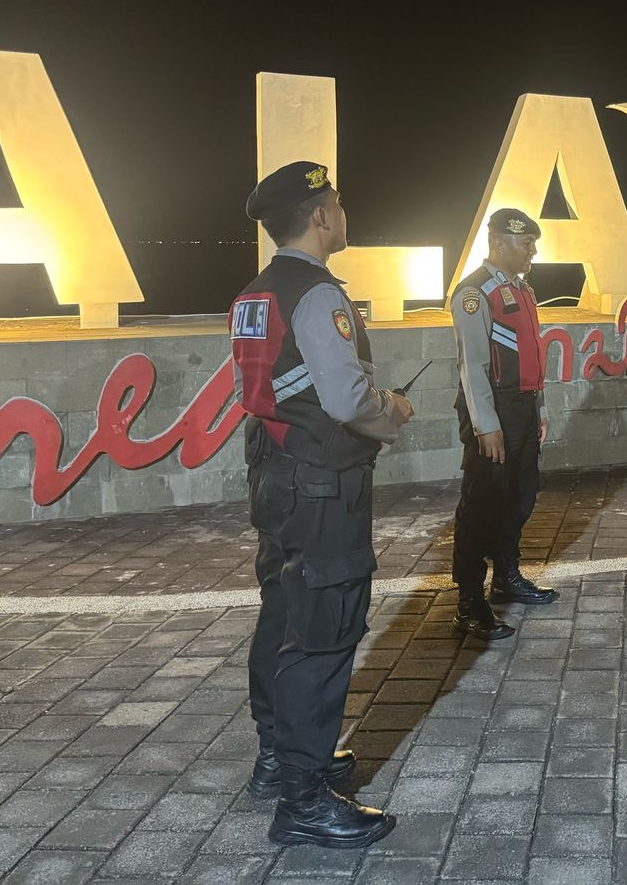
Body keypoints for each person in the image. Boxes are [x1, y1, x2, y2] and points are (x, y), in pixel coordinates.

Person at [231, 161, 414, 848]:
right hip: (319, 482)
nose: (342, 212)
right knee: (324, 629)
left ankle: (277, 759)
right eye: (337, 202)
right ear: (319, 216)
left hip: (274, 475)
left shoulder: (254, 293)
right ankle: (304, 800)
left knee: (282, 612)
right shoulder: (317, 293)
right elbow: (344, 399)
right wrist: (392, 410)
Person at [449, 208, 556, 641]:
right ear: (498, 243)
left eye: (533, 243)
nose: (533, 251)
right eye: (526, 243)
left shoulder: (522, 290)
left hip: (523, 409)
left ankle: (506, 578)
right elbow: (472, 365)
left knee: (520, 497)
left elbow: (531, 356)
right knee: (481, 505)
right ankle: (469, 601)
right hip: (493, 410)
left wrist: (540, 407)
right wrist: (485, 425)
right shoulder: (475, 293)